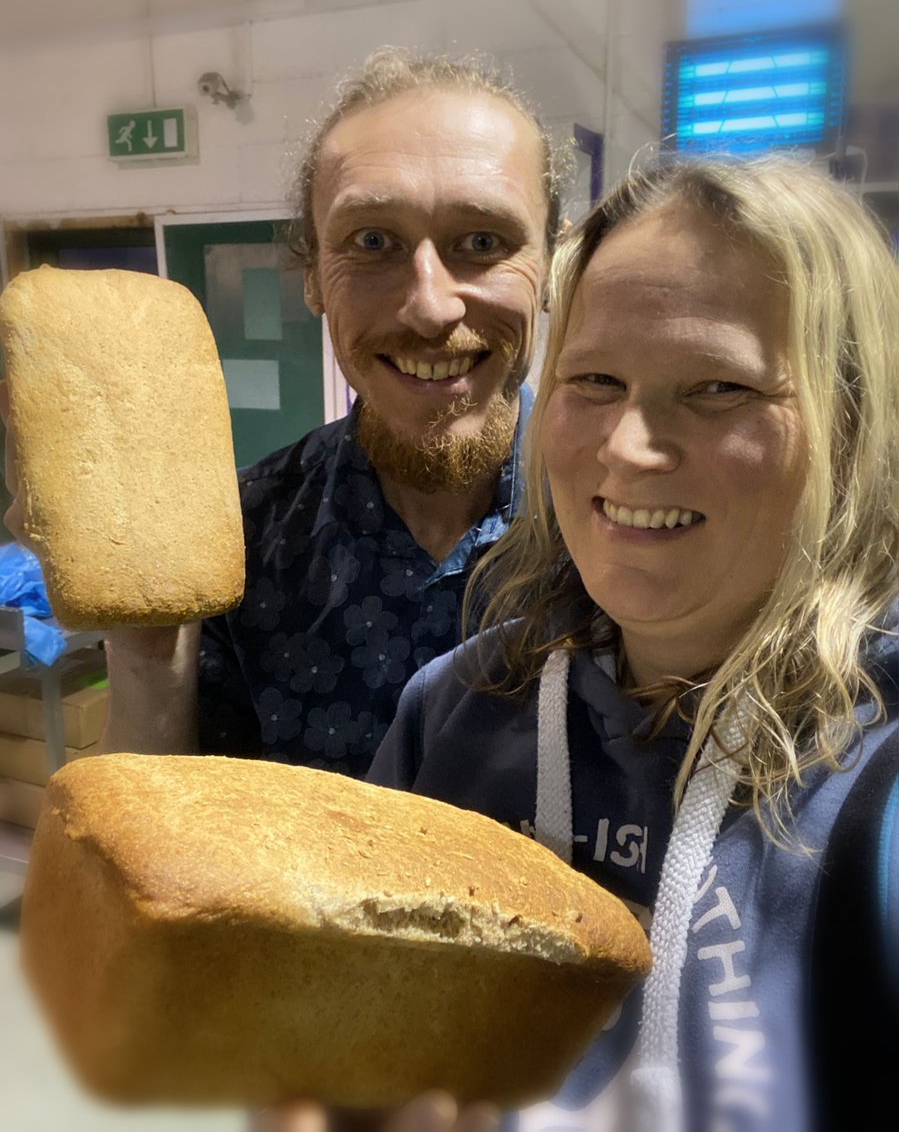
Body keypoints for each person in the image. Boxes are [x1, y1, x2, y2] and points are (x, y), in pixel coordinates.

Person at [326, 156, 896, 1132]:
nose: (628, 448)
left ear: (848, 426)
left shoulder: (873, 790)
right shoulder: (454, 710)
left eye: (716, 387)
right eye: (592, 379)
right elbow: (351, 1039)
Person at [2, 48, 562, 776]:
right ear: (312, 277)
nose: (430, 306)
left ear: (550, 265)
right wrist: (146, 650)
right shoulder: (240, 535)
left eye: (481, 242)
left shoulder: (627, 516)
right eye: (371, 242)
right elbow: (171, 822)